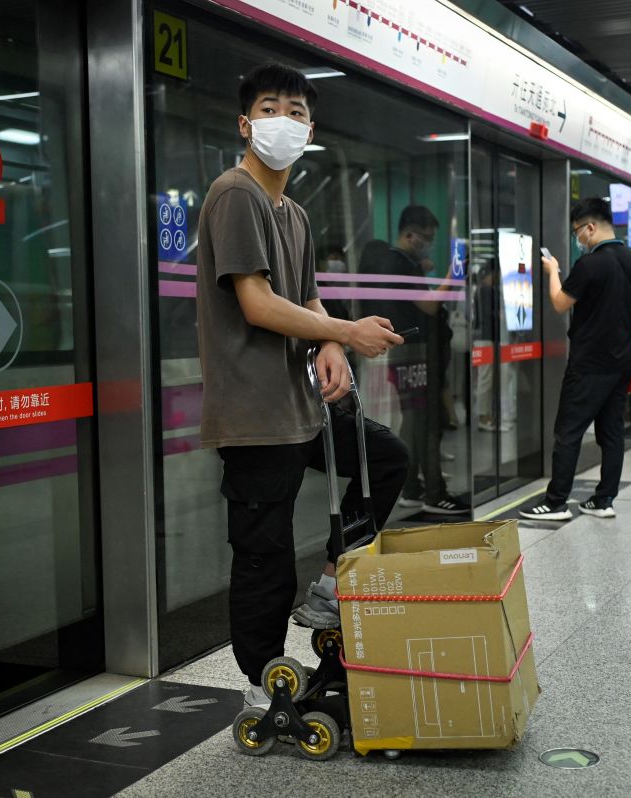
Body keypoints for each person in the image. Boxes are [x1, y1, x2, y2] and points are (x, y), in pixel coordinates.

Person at [195, 63, 408, 708]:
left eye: (294, 112)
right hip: (255, 412)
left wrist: (330, 339)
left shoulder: (294, 212)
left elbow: (306, 295)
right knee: (263, 554)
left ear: (309, 129)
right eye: (269, 109)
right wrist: (346, 327)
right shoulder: (235, 195)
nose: (281, 121)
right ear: (245, 123)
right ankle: (261, 680)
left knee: (388, 458)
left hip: (301, 405)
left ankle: (329, 580)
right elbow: (257, 303)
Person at [521, 197, 631, 521]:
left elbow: (559, 303)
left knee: (569, 430)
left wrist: (554, 271)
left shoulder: (590, 264)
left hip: (590, 361)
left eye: (578, 231)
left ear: (590, 228)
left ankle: (555, 503)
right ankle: (603, 499)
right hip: (622, 360)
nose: (578, 237)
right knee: (612, 432)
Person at [360, 206, 468, 515]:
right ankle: (431, 492)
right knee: (424, 421)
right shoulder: (400, 263)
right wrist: (453, 276)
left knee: (417, 418)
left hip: (410, 351)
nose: (430, 243)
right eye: (428, 238)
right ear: (411, 235)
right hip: (413, 353)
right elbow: (430, 307)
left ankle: (414, 486)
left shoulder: (402, 262)